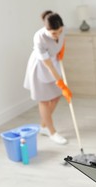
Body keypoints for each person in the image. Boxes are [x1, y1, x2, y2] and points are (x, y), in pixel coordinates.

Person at [23, 10, 70, 145]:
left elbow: (62, 40)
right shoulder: (39, 37)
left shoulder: (61, 30)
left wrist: (61, 51)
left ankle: (44, 126)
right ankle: (52, 132)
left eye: (60, 31)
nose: (57, 35)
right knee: (44, 100)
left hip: (54, 63)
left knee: (55, 96)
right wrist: (60, 82)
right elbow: (47, 64)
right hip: (41, 68)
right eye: (54, 33)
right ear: (47, 29)